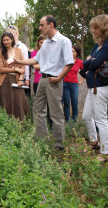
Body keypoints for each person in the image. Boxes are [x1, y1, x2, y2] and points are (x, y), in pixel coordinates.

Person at [11, 15, 74, 150]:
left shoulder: (64, 41)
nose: (40, 28)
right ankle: (42, 140)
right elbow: (35, 60)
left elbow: (69, 63)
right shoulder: (45, 43)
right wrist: (19, 62)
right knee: (38, 109)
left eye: (42, 25)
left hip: (54, 80)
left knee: (55, 113)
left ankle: (59, 145)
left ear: (51, 25)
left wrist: (58, 78)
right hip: (43, 80)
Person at [82, 14, 108, 162]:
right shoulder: (97, 45)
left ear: (103, 28)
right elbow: (86, 63)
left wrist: (91, 61)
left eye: (95, 28)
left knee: (100, 118)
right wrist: (90, 61)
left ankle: (106, 153)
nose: (92, 30)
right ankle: (95, 142)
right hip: (93, 85)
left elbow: (93, 63)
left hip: (102, 85)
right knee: (86, 116)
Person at [0, 31, 30, 120]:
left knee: (18, 101)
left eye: (7, 39)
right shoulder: (1, 52)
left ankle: (21, 124)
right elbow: (1, 69)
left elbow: (22, 67)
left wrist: (20, 80)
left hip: (16, 80)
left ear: (12, 40)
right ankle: (6, 124)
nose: (6, 42)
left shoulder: (18, 50)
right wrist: (15, 69)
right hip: (5, 81)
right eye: (4, 40)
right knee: (6, 103)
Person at [6, 25, 30, 95]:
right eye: (7, 33)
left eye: (11, 33)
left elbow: (26, 63)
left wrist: (27, 78)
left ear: (16, 33)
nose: (9, 35)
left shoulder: (22, 46)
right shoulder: (5, 46)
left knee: (19, 96)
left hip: (20, 76)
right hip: (8, 75)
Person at [63, 45, 84, 122]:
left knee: (75, 103)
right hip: (65, 83)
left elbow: (83, 72)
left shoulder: (80, 62)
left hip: (74, 84)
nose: (71, 52)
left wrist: (81, 81)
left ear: (77, 53)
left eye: (73, 51)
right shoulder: (65, 60)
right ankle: (68, 121)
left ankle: (74, 121)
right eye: (70, 51)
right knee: (66, 104)